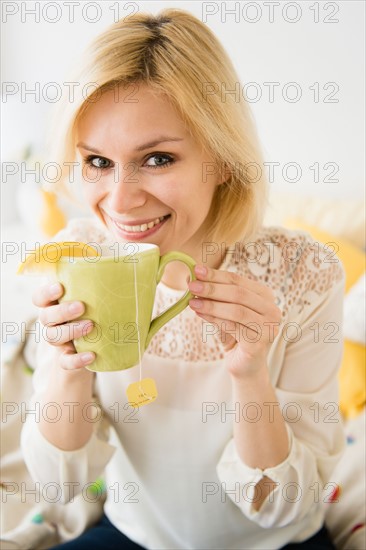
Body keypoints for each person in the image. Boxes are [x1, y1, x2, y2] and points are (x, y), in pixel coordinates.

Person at [21, 9, 345, 550]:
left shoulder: (305, 273)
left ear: (222, 158)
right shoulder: (74, 258)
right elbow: (60, 484)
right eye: (98, 162)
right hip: (134, 535)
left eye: (157, 158)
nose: (120, 203)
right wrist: (67, 366)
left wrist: (250, 376)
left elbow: (286, 503)